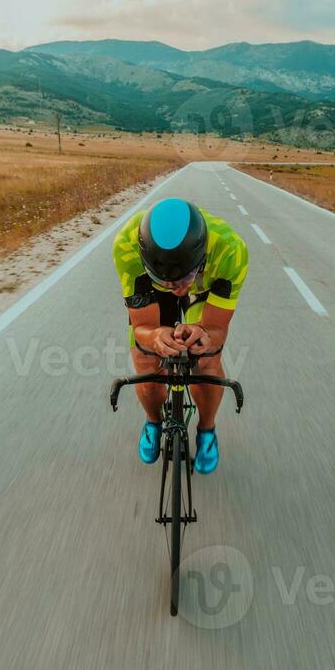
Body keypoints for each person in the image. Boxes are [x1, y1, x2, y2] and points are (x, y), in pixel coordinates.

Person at [113, 197, 249, 474]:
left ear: (201, 260)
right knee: (145, 361)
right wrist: (153, 337)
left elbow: (217, 330)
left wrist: (205, 336)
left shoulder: (231, 250)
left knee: (206, 360)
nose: (173, 287)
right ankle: (153, 421)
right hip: (152, 294)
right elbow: (142, 329)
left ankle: (207, 430)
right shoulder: (126, 245)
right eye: (163, 279)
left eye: (180, 279)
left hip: (205, 287)